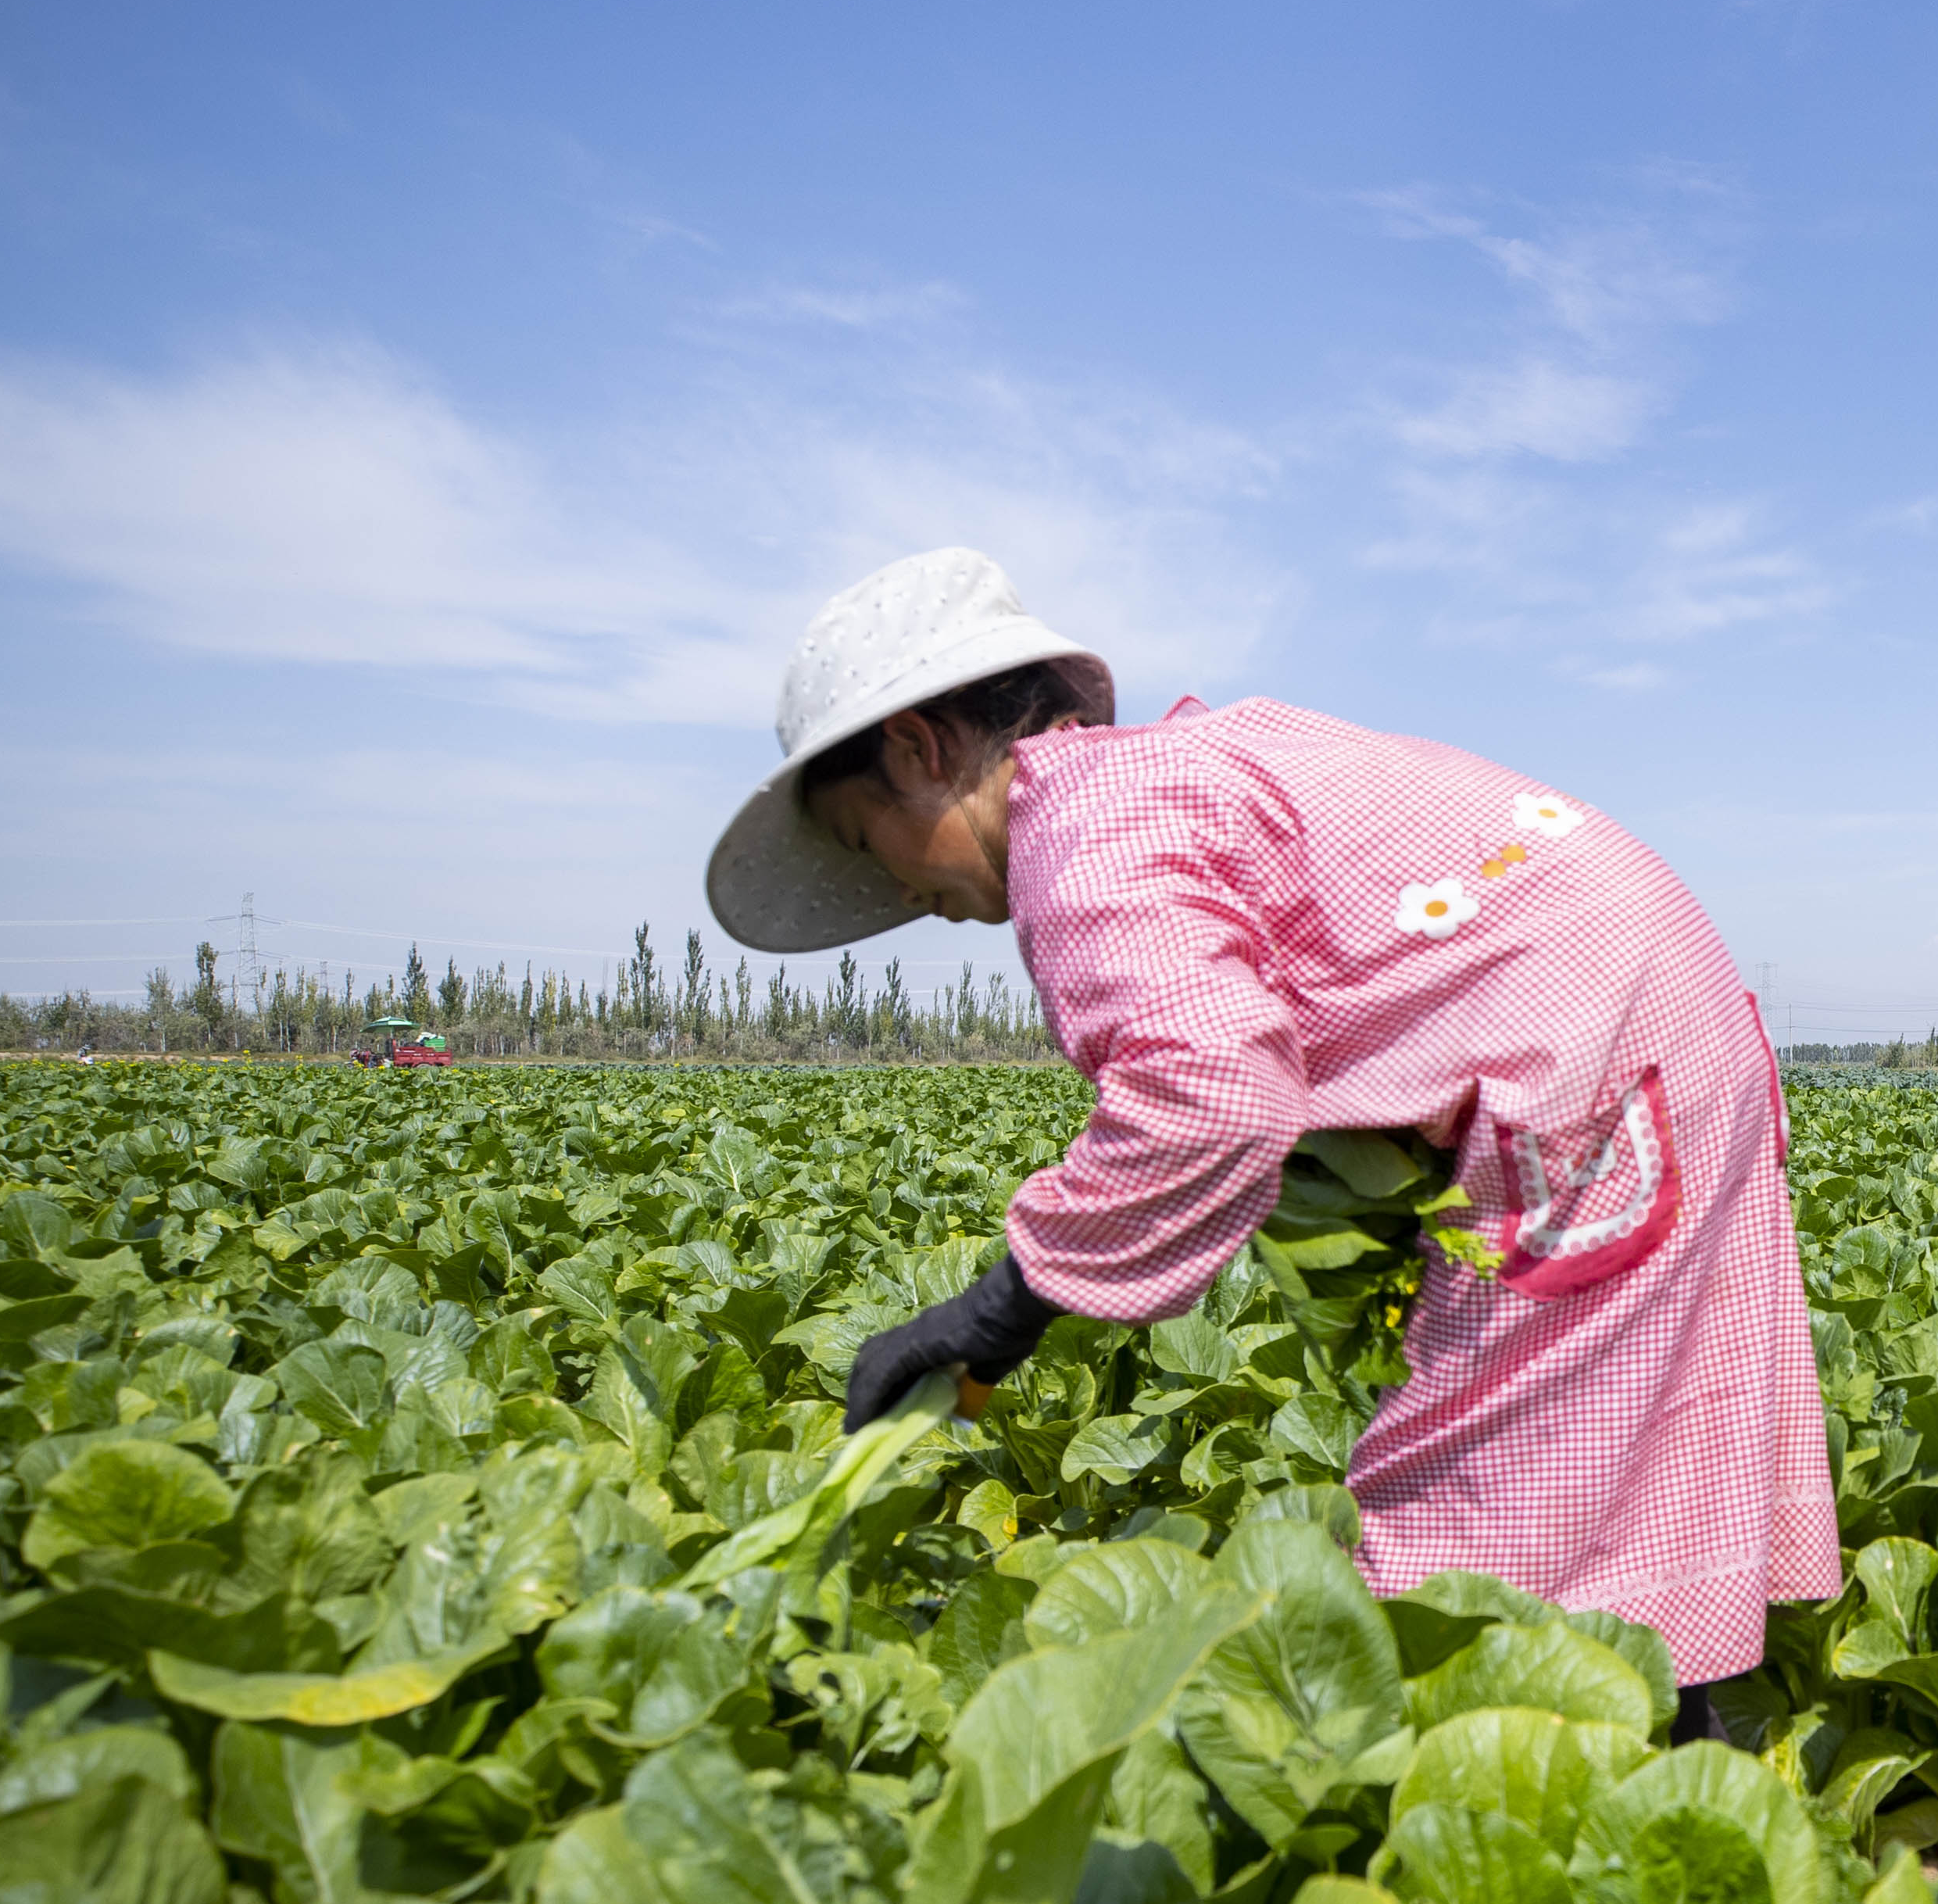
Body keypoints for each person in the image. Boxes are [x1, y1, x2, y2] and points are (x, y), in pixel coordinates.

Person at [702, 546, 1843, 1695]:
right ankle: (1683, 1781)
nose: (898, 892)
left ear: (919, 749)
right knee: (1625, 1471)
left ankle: (1532, 1808)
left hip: (1588, 1062)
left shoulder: (1078, 837)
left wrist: (999, 1312)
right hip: (1663, 1008)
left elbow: (1209, 1096)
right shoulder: (1175, 768)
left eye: (865, 842)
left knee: (1478, 1518)